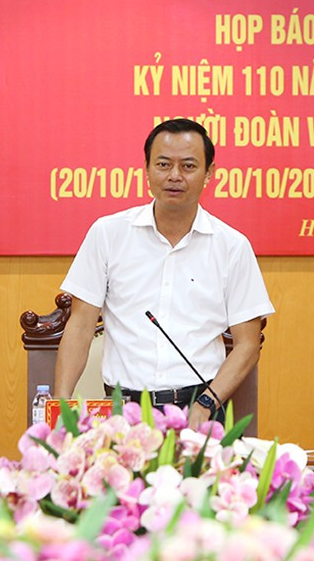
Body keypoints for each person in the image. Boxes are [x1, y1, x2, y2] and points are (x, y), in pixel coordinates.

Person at [54, 118, 274, 431]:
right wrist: (61, 406)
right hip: (122, 413)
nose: (174, 176)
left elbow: (247, 344)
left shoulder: (232, 246)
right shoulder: (108, 234)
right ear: (146, 169)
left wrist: (207, 403)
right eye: (163, 164)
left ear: (209, 173)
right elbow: (80, 325)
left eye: (188, 166)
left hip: (200, 409)